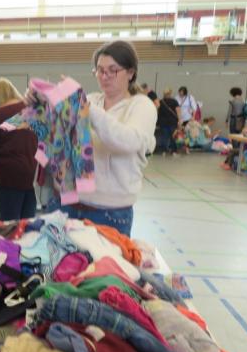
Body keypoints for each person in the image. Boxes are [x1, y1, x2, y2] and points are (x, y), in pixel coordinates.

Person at [31, 41, 156, 236]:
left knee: (105, 266)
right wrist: (39, 106)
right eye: (99, 71)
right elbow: (57, 137)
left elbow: (128, 141)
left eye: (112, 71)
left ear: (130, 73)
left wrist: (86, 107)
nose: (104, 77)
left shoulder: (141, 106)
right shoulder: (93, 99)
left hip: (109, 213)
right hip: (67, 203)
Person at [0, 78, 38, 221]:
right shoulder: (30, 112)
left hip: (8, 177)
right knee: (28, 224)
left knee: (9, 225)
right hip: (29, 173)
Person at [156, 88, 181, 156]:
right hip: (172, 122)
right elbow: (178, 111)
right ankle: (174, 152)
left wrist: (157, 122)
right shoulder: (174, 101)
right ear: (170, 93)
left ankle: (164, 151)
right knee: (173, 137)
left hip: (163, 122)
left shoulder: (160, 101)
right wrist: (179, 120)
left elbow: (157, 112)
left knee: (164, 137)